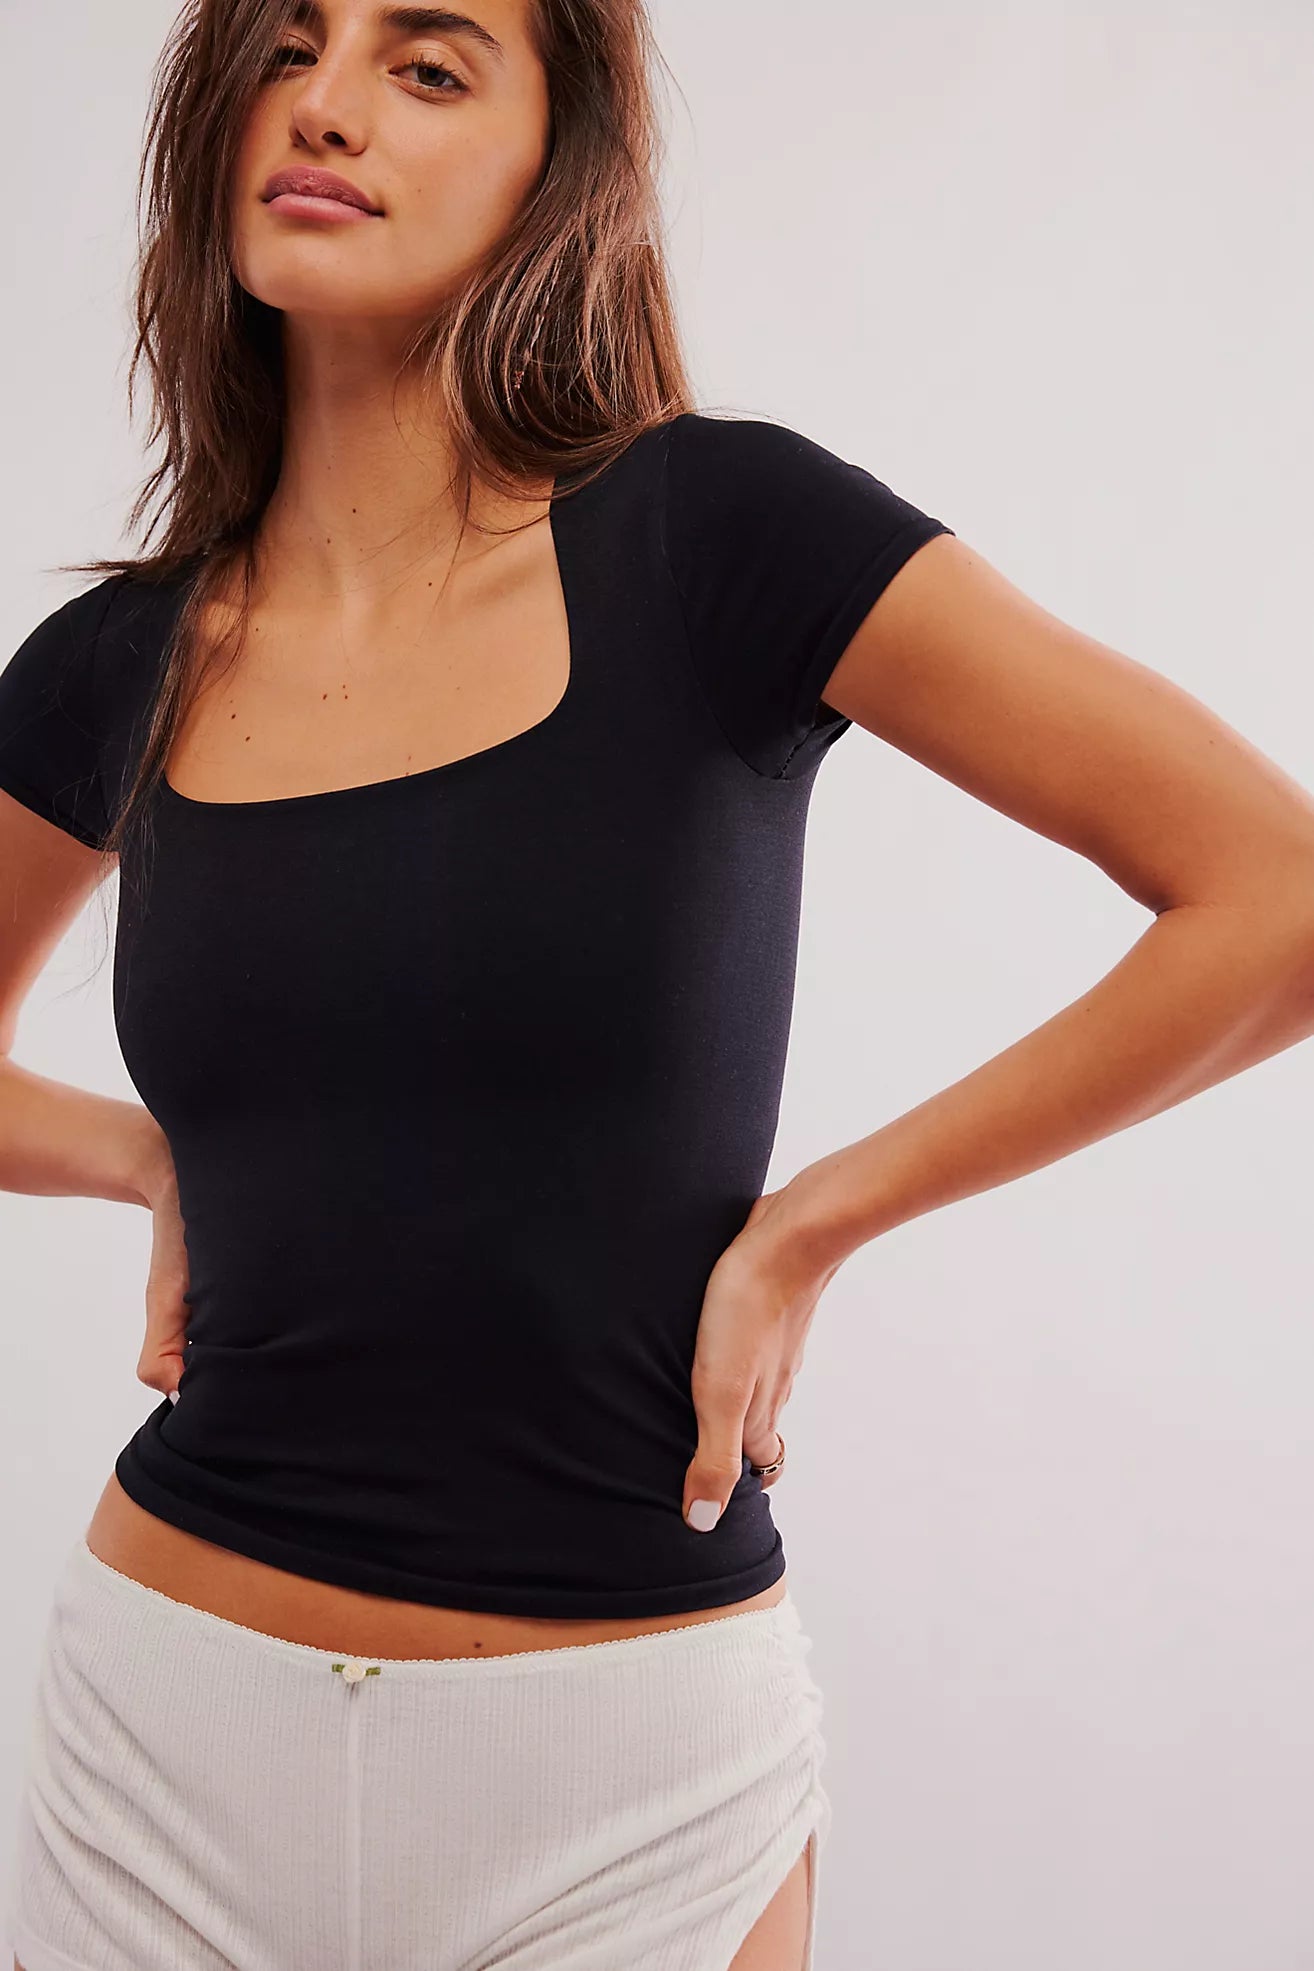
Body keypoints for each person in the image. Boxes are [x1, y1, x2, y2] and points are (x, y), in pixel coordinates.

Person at [5, 2, 1314, 1968]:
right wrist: (146, 1158)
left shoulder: (722, 535)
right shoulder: (126, 660)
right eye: (285, 49)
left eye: (427, 66)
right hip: (162, 1741)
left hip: (621, 1784)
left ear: (562, 169)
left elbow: (1274, 893)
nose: (329, 105)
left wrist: (815, 1224)